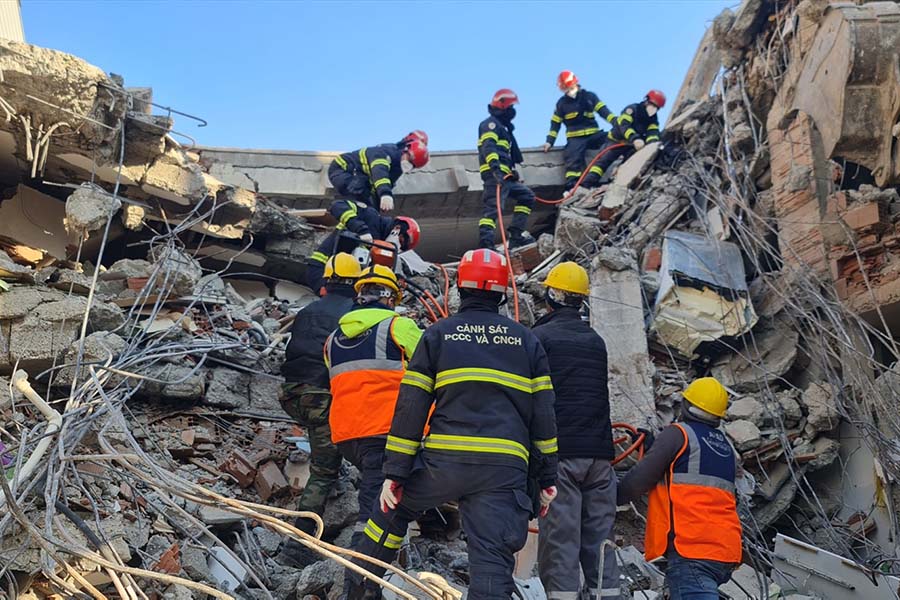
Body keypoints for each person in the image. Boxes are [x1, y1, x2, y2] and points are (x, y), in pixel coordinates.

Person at [342, 248, 559, 600]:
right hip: (503, 470)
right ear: (503, 292)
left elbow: (410, 407)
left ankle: (362, 589)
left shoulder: (439, 335)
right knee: (491, 564)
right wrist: (547, 478)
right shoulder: (527, 341)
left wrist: (395, 474)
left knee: (390, 514)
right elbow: (545, 416)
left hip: (443, 462)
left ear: (459, 287)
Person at [324, 264, 423, 592]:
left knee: (381, 494)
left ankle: (373, 574)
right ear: (390, 298)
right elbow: (433, 363)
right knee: (375, 509)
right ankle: (360, 585)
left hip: (348, 437)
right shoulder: (399, 326)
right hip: (385, 431)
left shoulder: (333, 339)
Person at [532, 262, 620, 600]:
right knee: (601, 543)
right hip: (599, 457)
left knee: (561, 541)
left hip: (562, 457)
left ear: (552, 295)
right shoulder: (595, 340)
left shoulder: (541, 337)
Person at [617, 377, 742, 600]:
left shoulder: (677, 434)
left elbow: (640, 480)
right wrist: (653, 447)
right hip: (725, 552)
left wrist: (609, 497)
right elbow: (688, 472)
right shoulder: (726, 447)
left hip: (692, 551)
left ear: (685, 405)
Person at [278, 253, 361, 567]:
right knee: (324, 471)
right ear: (357, 284)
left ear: (326, 282)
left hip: (292, 395)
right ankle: (298, 545)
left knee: (326, 443)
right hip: (322, 397)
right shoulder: (354, 313)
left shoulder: (307, 310)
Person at [305, 200, 420, 293]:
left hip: (341, 282)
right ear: (397, 229)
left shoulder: (381, 249)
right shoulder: (370, 216)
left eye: (402, 247)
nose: (398, 245)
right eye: (401, 240)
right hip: (321, 270)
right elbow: (337, 205)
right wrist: (361, 229)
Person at [477, 89, 535, 250]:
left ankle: (516, 236)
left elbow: (505, 155)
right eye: (510, 107)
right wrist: (495, 170)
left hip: (506, 176)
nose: (512, 111)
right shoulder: (490, 124)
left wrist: (512, 172)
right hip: (494, 176)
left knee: (527, 197)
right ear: (503, 106)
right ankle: (486, 244)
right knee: (493, 209)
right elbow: (489, 148)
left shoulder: (504, 128)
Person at [541, 71, 616, 192]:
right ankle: (572, 188)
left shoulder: (589, 97)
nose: (567, 89)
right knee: (572, 159)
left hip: (594, 134)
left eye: (567, 86)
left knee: (613, 139)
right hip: (576, 139)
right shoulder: (561, 104)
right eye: (564, 87)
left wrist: (617, 124)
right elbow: (555, 124)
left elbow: (603, 111)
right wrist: (549, 142)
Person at [587, 90, 665, 186]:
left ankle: (615, 182)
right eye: (652, 105)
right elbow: (624, 126)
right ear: (646, 101)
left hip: (631, 145)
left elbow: (653, 132)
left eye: (656, 108)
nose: (653, 109)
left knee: (629, 164)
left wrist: (652, 145)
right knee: (602, 162)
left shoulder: (653, 119)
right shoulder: (632, 109)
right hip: (616, 141)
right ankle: (587, 184)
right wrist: (635, 138)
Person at [328, 139, 429, 212]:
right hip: (342, 168)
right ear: (406, 150)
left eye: (413, 166)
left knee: (371, 209)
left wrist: (377, 209)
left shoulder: (397, 169)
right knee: (360, 192)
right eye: (410, 160)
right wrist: (385, 194)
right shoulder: (386, 153)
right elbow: (379, 173)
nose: (409, 165)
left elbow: (377, 188)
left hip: (359, 177)